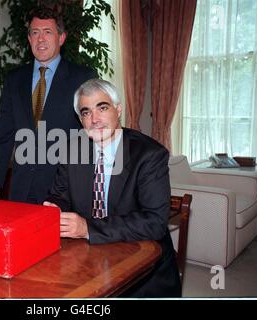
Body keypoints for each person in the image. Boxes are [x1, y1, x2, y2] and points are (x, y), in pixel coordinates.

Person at [44, 79, 181, 297]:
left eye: (102, 108)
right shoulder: (71, 150)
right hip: (87, 260)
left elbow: (154, 222)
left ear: (118, 109)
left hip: (144, 274)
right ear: (80, 119)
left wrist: (88, 228)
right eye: (86, 112)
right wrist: (54, 208)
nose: (95, 119)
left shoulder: (149, 155)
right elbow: (60, 195)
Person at [0, 6, 97, 203]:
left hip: (66, 190)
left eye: (48, 32)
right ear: (29, 39)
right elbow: (3, 135)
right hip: (22, 189)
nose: (41, 39)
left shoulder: (83, 78)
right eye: (35, 32)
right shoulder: (14, 79)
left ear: (61, 38)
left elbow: (92, 135)